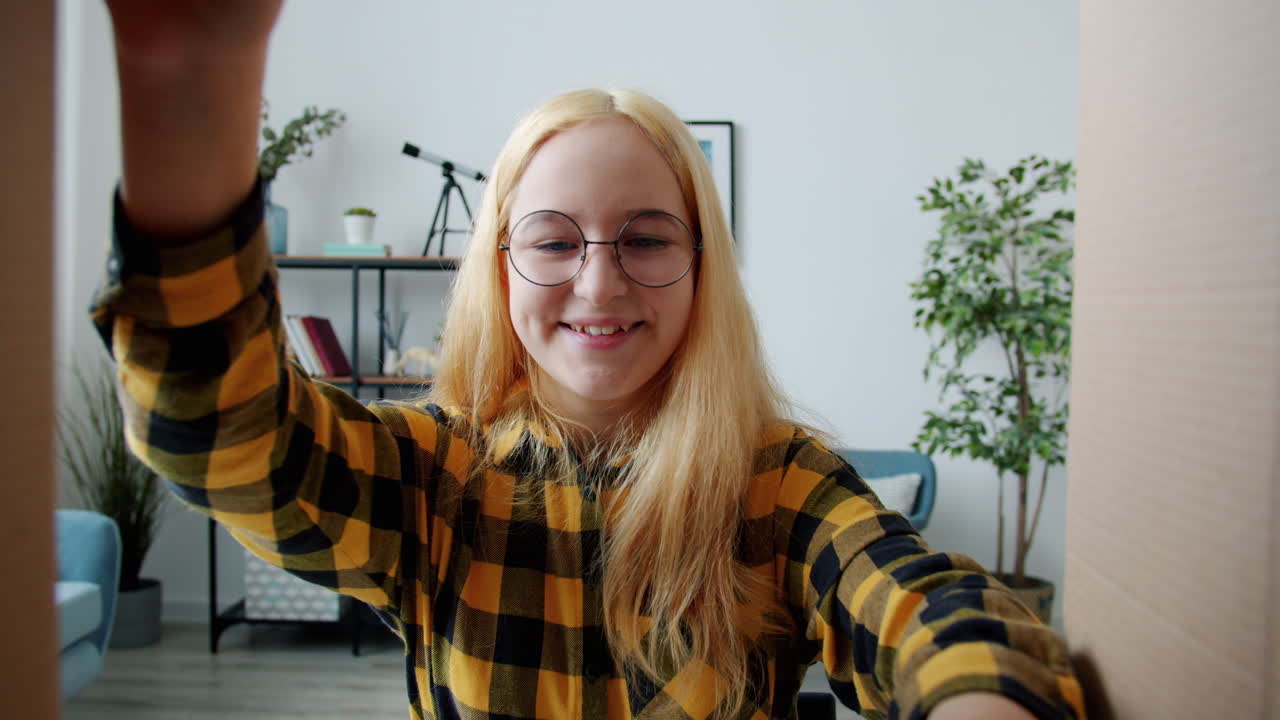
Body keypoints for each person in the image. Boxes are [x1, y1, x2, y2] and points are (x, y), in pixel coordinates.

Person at [93, 3, 1085, 719]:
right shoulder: (431, 478)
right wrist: (192, 70)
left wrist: (978, 697)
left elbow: (920, 605)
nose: (599, 285)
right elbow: (218, 432)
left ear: (700, 268)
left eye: (646, 240)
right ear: (500, 267)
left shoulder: (778, 486)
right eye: (555, 241)